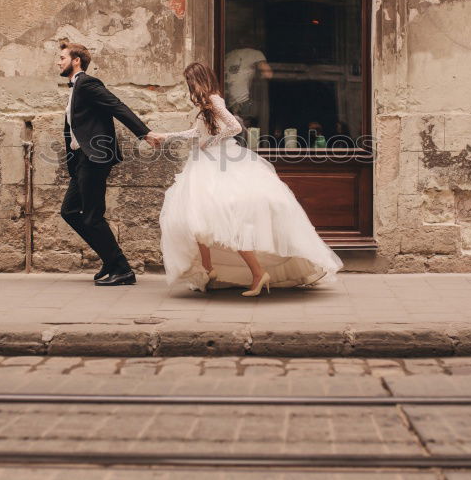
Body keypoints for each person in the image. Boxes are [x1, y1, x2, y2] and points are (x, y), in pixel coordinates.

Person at [152, 62, 343, 296]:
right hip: (206, 163)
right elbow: (196, 132)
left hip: (221, 162)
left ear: (198, 80)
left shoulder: (214, 99)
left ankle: (257, 273)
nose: (189, 86)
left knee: (226, 220)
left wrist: (211, 142)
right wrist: (167, 136)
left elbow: (234, 127)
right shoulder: (205, 104)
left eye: (190, 81)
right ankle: (209, 268)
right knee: (198, 218)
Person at [57, 41, 161, 287]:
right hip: (82, 159)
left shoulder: (88, 83)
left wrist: (144, 133)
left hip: (94, 158)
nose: (58, 61)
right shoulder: (75, 88)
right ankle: (111, 260)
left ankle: (122, 269)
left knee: (93, 216)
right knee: (69, 211)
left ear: (76, 61)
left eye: (62, 57)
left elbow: (117, 106)